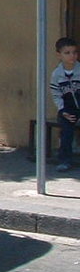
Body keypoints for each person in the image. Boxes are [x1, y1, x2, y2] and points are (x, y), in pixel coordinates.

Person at [49, 36, 80, 171]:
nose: (72, 56)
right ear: (59, 55)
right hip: (68, 109)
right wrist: (63, 111)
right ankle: (64, 160)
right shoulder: (57, 74)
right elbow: (56, 94)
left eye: (74, 52)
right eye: (67, 53)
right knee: (66, 132)